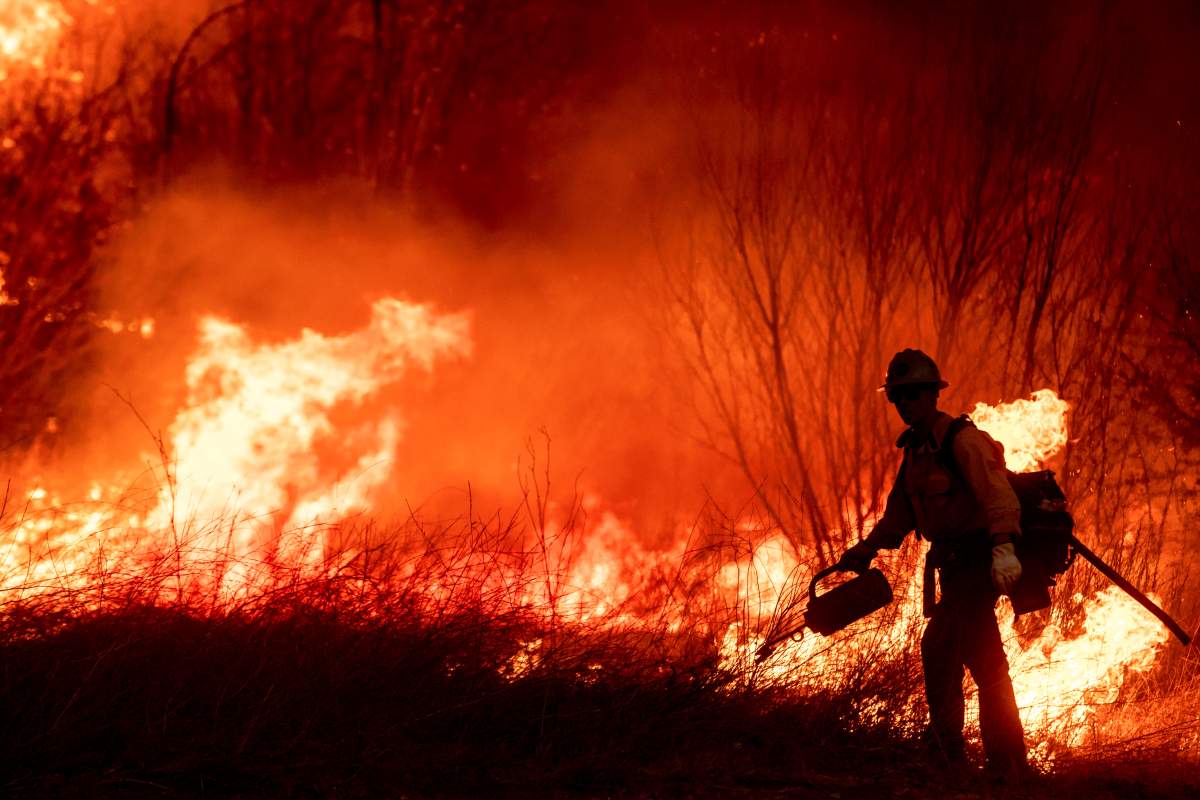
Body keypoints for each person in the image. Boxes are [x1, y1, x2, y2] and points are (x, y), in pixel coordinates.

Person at [837, 348, 1029, 782]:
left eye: (912, 395)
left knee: (953, 650)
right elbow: (899, 516)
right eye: (897, 398)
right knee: (971, 657)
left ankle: (974, 761)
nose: (904, 405)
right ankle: (989, 762)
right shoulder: (916, 453)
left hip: (980, 564)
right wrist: (866, 549)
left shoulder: (962, 441)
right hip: (951, 569)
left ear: (932, 395)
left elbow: (999, 497)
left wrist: (1003, 547)